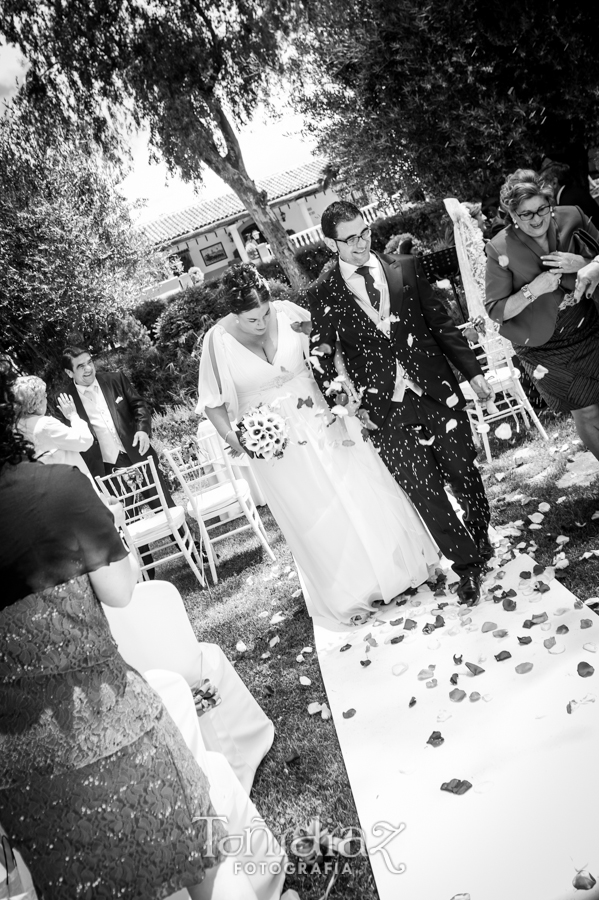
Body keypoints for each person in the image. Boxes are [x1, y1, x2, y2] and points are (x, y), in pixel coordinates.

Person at [0, 365, 259, 900]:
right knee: (200, 851)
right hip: (111, 720)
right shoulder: (54, 486)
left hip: (18, 766)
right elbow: (121, 590)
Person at [196, 264, 440, 624]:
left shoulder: (289, 311)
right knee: (314, 511)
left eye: (265, 313)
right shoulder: (216, 341)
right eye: (252, 319)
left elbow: (331, 347)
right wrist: (238, 440)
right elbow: (212, 403)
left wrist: (340, 380)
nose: (262, 323)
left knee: (358, 488)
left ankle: (399, 570)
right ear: (234, 313)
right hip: (273, 444)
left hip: (323, 419)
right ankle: (352, 589)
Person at [308, 200, 495, 607]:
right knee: (424, 490)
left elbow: (441, 324)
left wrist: (472, 371)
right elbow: (322, 355)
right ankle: (466, 566)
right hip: (382, 409)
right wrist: (347, 405)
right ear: (329, 242)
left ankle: (479, 536)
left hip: (434, 388)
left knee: (463, 471)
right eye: (349, 238)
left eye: (364, 233)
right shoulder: (323, 292)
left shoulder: (405, 267)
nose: (360, 243)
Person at [485, 168, 599, 461]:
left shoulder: (572, 215)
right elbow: (496, 311)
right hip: (545, 346)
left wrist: (584, 262)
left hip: (590, 324)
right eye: (526, 214)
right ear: (512, 216)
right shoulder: (499, 248)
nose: (537, 219)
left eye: (541, 209)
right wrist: (532, 290)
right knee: (586, 410)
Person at [540, 161, 599, 228]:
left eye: (543, 184)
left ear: (554, 183)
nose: (541, 189)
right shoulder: (572, 192)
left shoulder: (567, 202)